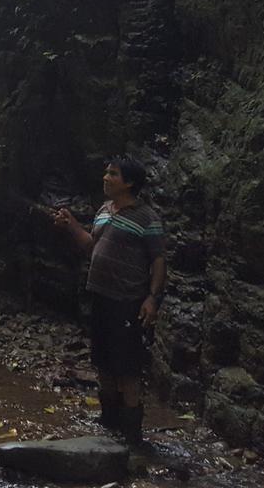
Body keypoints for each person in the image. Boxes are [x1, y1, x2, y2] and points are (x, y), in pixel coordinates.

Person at [54, 155, 166, 446]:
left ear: (129, 182)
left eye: (112, 174)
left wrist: (153, 299)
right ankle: (109, 425)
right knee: (102, 362)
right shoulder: (105, 210)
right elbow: (91, 246)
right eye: (106, 172)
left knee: (127, 368)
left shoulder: (147, 218)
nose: (105, 177)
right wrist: (71, 226)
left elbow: (158, 261)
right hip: (100, 298)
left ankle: (132, 438)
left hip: (128, 301)